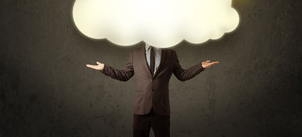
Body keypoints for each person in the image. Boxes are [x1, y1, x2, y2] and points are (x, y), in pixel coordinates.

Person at [86, 43, 219, 137]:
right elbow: (124, 75)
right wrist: (105, 68)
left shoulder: (171, 54)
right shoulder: (135, 54)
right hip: (141, 110)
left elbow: (182, 75)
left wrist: (200, 66)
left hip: (161, 111)